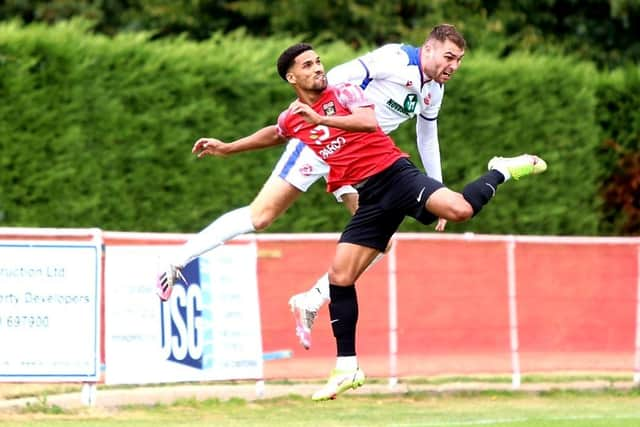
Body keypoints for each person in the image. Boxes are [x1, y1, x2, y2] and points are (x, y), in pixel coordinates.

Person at [248, 42, 544, 401]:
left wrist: (436, 183)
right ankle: (347, 368)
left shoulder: (393, 88)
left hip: (394, 175)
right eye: (449, 57)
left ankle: (500, 169)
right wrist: (226, 147)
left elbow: (395, 127)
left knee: (460, 210)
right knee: (341, 277)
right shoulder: (313, 105)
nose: (317, 67)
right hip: (370, 193)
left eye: (318, 61)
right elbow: (283, 125)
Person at [157, 24, 463, 307]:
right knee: (261, 216)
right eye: (449, 56)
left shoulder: (433, 90)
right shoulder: (395, 59)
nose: (454, 66)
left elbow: (427, 135)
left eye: (459, 60)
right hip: (318, 144)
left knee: (380, 241)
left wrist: (436, 186)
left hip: (356, 164)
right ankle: (177, 259)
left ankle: (312, 300)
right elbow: (340, 76)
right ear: (428, 48)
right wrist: (315, 113)